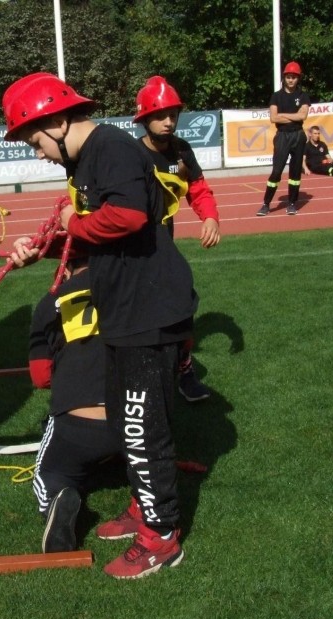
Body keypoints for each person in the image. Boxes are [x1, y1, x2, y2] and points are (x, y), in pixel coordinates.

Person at [4, 72, 197, 579]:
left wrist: (71, 223)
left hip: (149, 310)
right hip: (125, 308)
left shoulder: (109, 147)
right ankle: (142, 507)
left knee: (140, 427)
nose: (39, 154)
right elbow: (96, 237)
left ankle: (163, 536)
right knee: (125, 421)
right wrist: (41, 250)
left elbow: (129, 217)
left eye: (36, 141)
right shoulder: (92, 157)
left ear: (59, 121)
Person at [133, 75, 219, 402]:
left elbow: (198, 189)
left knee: (182, 305)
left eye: (173, 114)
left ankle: (183, 371)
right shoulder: (130, 153)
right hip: (131, 252)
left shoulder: (182, 150)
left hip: (164, 249)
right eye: (160, 115)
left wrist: (210, 216)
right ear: (144, 118)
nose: (169, 122)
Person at [30, 256, 119, 553]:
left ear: (65, 269)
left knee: (47, 474)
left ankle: (58, 496)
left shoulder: (49, 302)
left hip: (77, 424)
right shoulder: (129, 284)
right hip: (133, 417)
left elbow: (40, 377)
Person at [256, 61, 311, 217]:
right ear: (284, 78)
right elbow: (274, 118)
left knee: (295, 173)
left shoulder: (303, 96)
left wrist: (283, 115)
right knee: (276, 171)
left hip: (298, 135)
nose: (291, 80)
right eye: (288, 77)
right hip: (282, 136)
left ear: (298, 78)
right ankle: (266, 204)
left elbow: (303, 116)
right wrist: (293, 117)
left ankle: (292, 203)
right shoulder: (276, 96)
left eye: (294, 77)